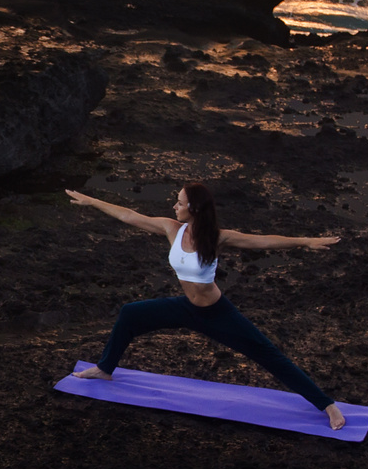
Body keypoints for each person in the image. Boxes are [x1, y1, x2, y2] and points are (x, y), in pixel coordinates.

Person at [64, 182, 347, 430]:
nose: (174, 206)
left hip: (216, 313)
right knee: (130, 313)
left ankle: (327, 405)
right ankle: (105, 368)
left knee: (268, 354)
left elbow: (263, 242)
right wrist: (92, 202)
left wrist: (306, 242)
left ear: (195, 208)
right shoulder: (171, 229)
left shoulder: (217, 237)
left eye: (180, 202)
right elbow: (129, 216)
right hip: (185, 307)